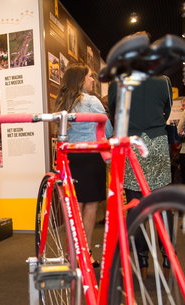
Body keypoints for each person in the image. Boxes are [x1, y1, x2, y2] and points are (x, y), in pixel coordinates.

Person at [108, 46, 173, 277]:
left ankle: (142, 259)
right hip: (156, 144)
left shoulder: (117, 81)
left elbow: (113, 112)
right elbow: (167, 111)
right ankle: (167, 258)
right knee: (163, 205)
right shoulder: (163, 80)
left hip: (131, 146)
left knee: (135, 207)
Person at [54, 63, 113, 267]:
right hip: (91, 156)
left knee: (74, 209)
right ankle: (85, 253)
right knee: (90, 208)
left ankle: (72, 253)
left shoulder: (62, 102)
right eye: (89, 76)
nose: (92, 80)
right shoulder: (91, 101)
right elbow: (108, 130)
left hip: (71, 158)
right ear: (80, 79)